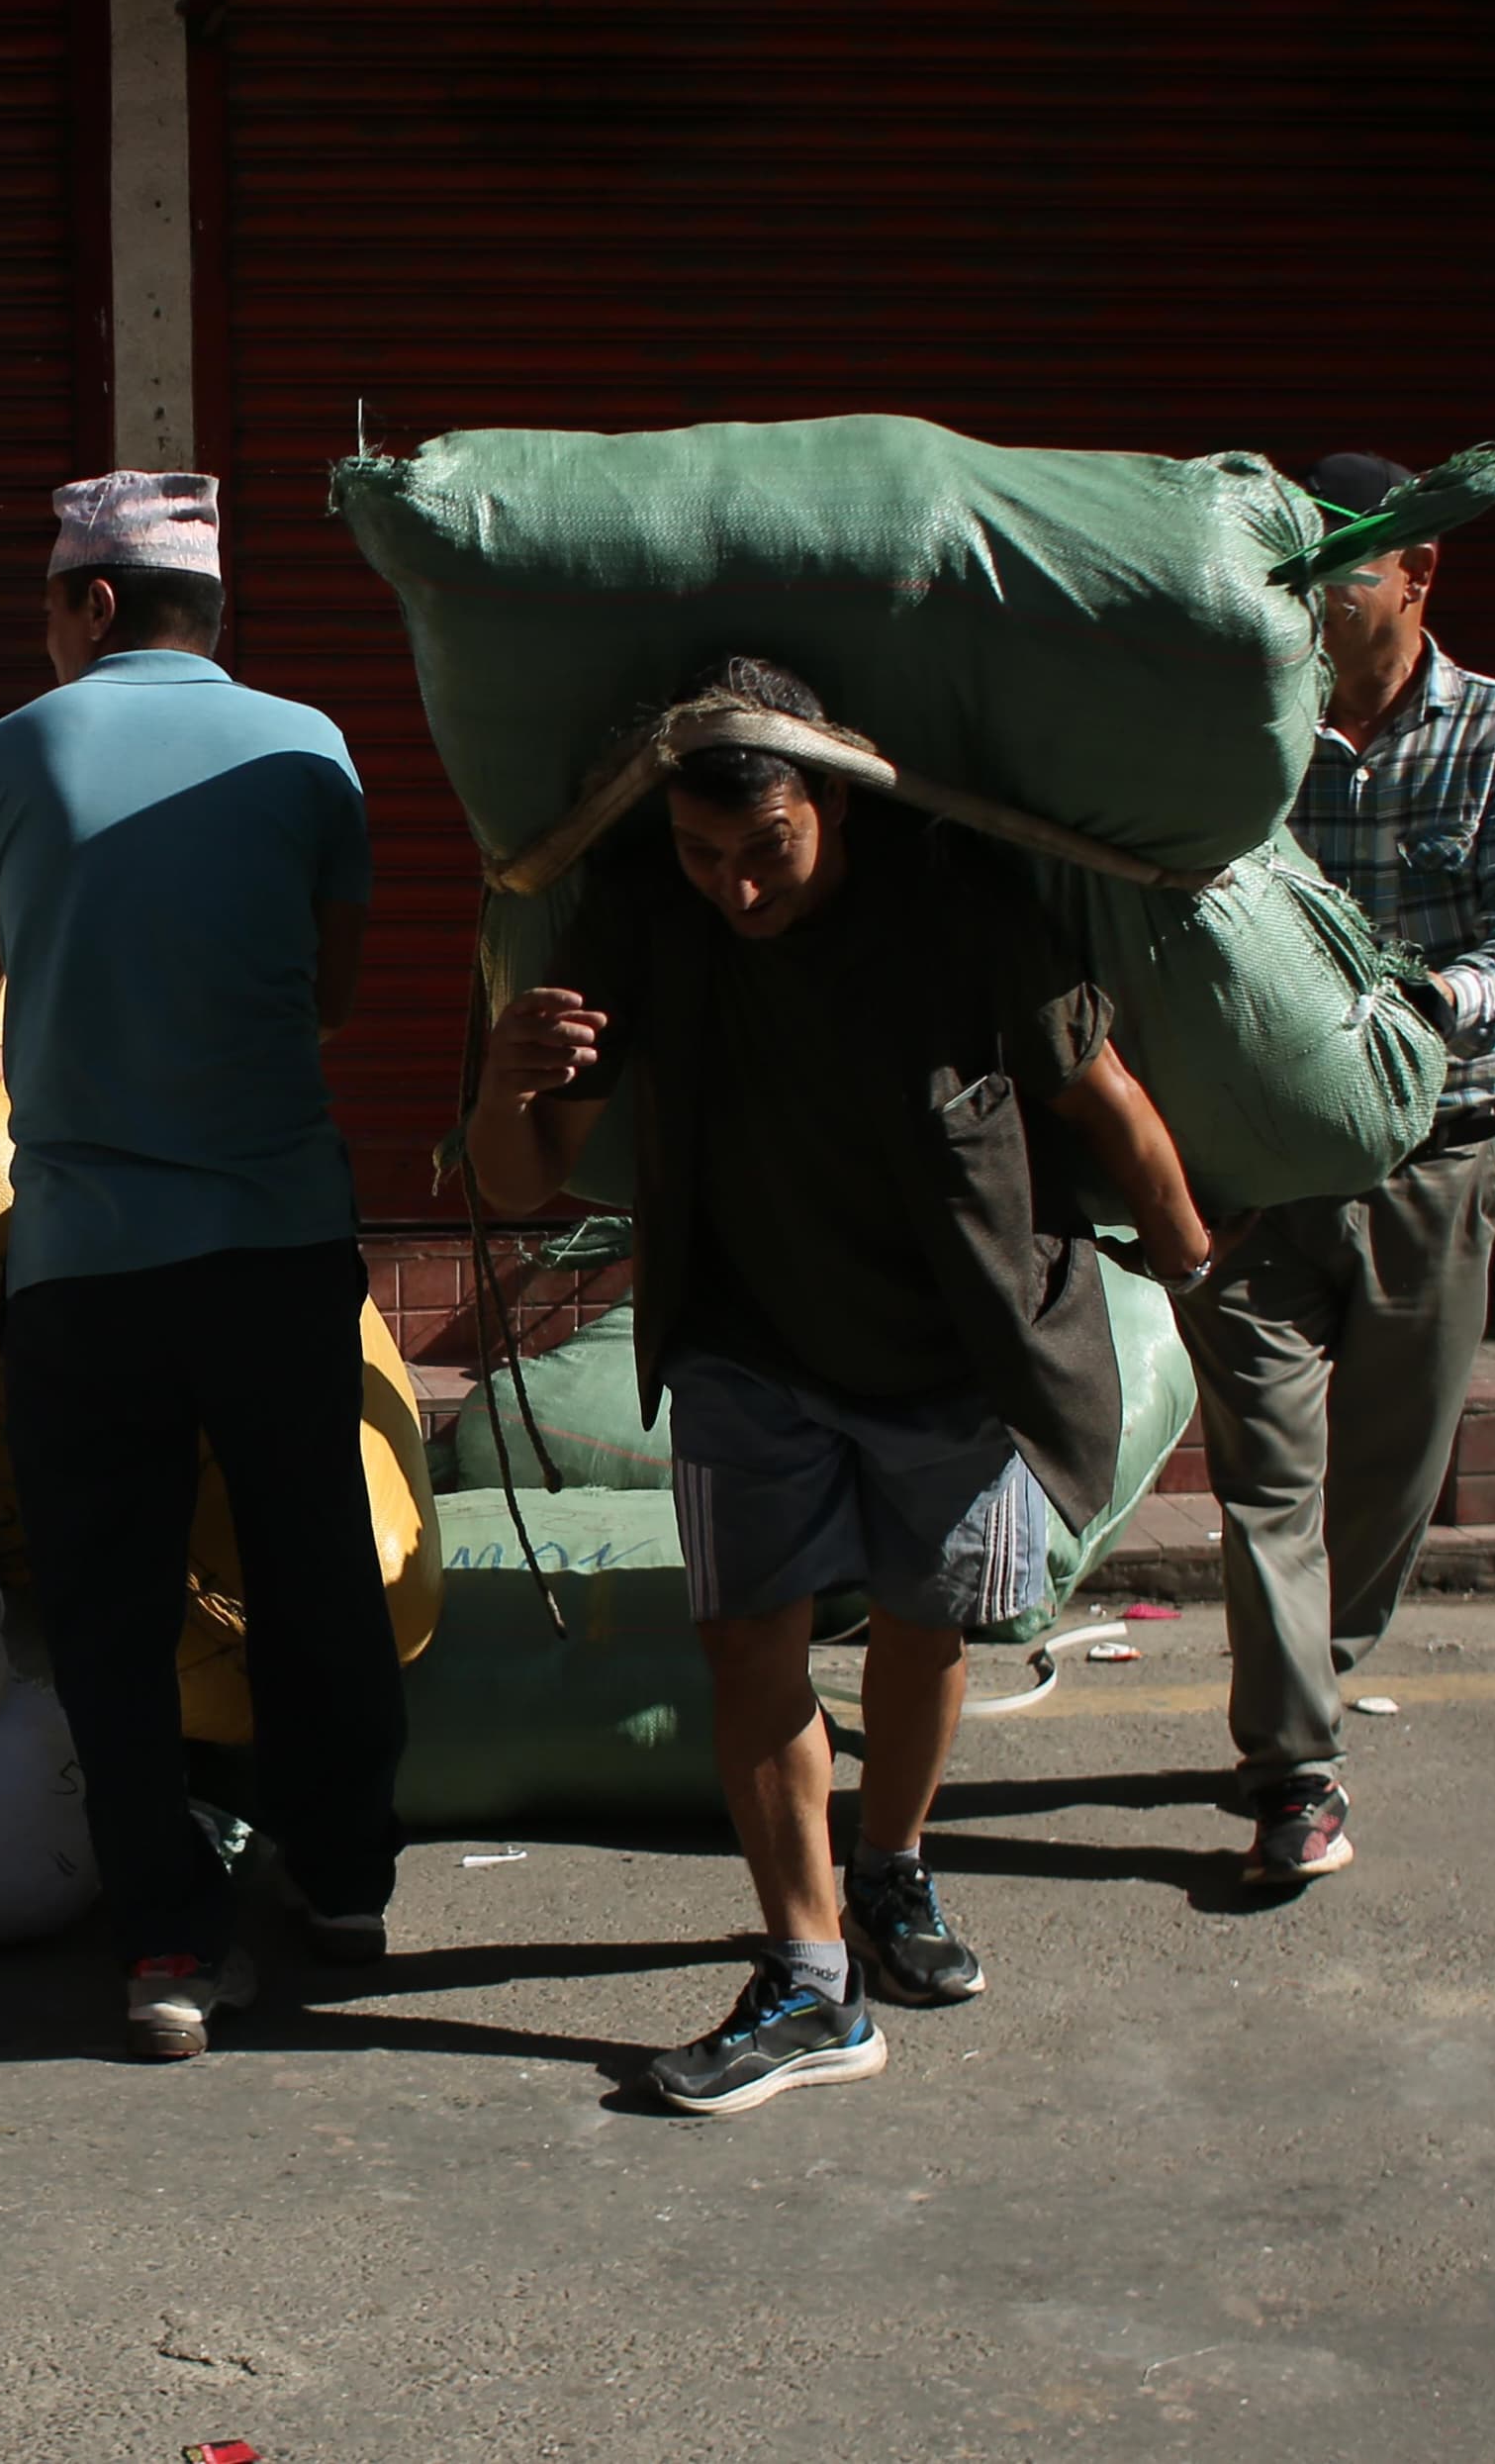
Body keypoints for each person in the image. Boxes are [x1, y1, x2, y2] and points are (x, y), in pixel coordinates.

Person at [463, 659, 1231, 2117]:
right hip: (744, 1348)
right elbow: (525, 1174)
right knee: (747, 1648)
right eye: (704, 856)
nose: (736, 894)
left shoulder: (959, 912)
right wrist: (505, 1083)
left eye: (767, 855)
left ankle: (892, 1866)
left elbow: (1106, 1099)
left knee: (923, 1624)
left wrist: (1198, 1270)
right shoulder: (642, 920)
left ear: (834, 808)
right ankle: (812, 1978)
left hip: (949, 1354)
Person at [0, 470, 403, 2063]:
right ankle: (351, 1881)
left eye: (48, 604)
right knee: (315, 1570)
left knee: (109, 1609)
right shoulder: (315, 747)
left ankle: (168, 1946)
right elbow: (328, 992)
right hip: (280, 1249)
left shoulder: (16, 750)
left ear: (96, 605)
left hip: (90, 1274)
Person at [1175, 453, 1495, 1890]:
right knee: (1266, 1475)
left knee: (1388, 1480)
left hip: (1436, 1157)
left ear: (1417, 575)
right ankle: (1297, 1766)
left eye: (1339, 569)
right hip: (1265, 1175)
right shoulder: (1244, 737)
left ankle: (1316, 1672)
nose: (1310, 599)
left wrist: (1420, 1013)